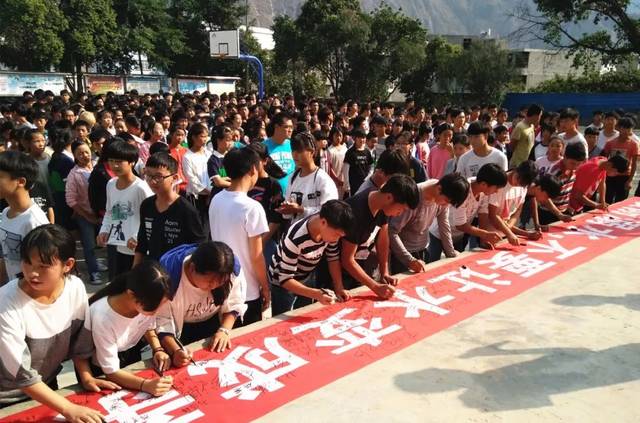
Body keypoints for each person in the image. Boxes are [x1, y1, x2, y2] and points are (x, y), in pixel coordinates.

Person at [0, 225, 110, 422]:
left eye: (43, 266)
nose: (32, 273)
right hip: (6, 398)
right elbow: (22, 374)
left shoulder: (74, 287)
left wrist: (85, 376)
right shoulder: (5, 303)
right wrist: (68, 408)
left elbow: (80, 341)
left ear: (67, 265)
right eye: (27, 262)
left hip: (47, 387)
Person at [88, 261, 173, 397]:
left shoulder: (146, 299)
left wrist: (158, 349)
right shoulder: (102, 317)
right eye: (152, 309)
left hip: (130, 352)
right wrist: (146, 385)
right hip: (100, 369)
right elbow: (111, 372)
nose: (156, 313)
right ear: (132, 295)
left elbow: (147, 327)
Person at [209, 148, 270, 324]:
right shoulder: (252, 207)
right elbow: (257, 256)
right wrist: (265, 287)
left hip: (220, 284)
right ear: (253, 170)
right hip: (246, 290)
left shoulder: (216, 199)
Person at [158, 241, 248, 354]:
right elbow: (162, 321)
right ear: (192, 268)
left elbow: (234, 302)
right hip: (182, 328)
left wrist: (224, 330)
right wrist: (176, 351)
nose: (214, 287)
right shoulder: (169, 279)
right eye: (209, 281)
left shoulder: (230, 268)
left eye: (220, 282)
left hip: (214, 321)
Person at [341, 174, 420, 299]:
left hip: (360, 265)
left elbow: (383, 238)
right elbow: (346, 259)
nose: (400, 213)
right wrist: (375, 286)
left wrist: (385, 272)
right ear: (389, 197)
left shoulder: (382, 204)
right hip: (339, 274)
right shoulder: (356, 212)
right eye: (401, 209)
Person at [269, 200, 354, 315]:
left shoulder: (330, 230)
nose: (337, 239)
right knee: (283, 317)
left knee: (306, 313)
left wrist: (339, 287)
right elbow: (285, 279)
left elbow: (333, 258)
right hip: (282, 281)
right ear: (323, 222)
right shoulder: (295, 238)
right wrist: (316, 294)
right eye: (337, 235)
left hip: (307, 274)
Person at [134, 153, 206, 265]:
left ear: (174, 178)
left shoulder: (186, 210)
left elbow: (198, 245)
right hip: (152, 268)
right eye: (148, 176)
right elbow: (142, 242)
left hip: (177, 270)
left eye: (158, 177)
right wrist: (135, 270)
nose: (152, 181)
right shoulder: (146, 205)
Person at [389, 173, 469, 274]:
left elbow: (444, 226)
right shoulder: (414, 197)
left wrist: (451, 253)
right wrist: (409, 260)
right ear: (439, 189)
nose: (446, 205)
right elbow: (392, 231)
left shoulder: (443, 195)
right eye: (446, 201)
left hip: (423, 249)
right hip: (401, 254)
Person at [428, 163, 507, 261]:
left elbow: (483, 215)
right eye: (496, 188)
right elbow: (460, 225)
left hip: (458, 235)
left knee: (456, 264)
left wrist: (483, 240)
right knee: (432, 263)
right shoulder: (463, 190)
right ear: (484, 184)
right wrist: (485, 234)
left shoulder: (484, 192)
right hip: (439, 233)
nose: (497, 192)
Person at [97, 140, 152, 276]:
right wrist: (104, 230)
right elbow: (110, 211)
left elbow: (151, 217)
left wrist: (138, 237)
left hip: (139, 250)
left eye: (119, 161)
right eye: (111, 160)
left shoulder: (141, 188)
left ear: (131, 162)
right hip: (119, 246)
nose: (115, 165)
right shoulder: (110, 184)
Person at [480, 161, 557, 246]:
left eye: (522, 184)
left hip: (504, 236)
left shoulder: (523, 188)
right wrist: (509, 233)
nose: (517, 183)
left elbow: (517, 211)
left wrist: (512, 230)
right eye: (517, 178)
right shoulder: (500, 185)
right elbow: (492, 215)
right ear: (516, 170)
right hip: (489, 236)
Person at [0, 151, 49, 284]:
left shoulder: (34, 221)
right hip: (12, 290)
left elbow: (45, 267)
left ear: (20, 181)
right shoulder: (5, 213)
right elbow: (6, 258)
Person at [277, 132, 338, 225]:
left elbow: (330, 212)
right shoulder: (292, 177)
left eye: (299, 151)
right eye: (293, 150)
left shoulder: (323, 179)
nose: (294, 154)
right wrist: (286, 209)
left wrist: (301, 210)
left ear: (312, 152)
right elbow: (288, 214)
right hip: (295, 234)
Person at [66, 141, 103, 284]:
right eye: (80, 153)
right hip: (85, 215)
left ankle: (97, 264)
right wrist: (87, 215)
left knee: (102, 242)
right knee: (89, 245)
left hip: (101, 214)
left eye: (86, 152)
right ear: (75, 156)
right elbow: (71, 200)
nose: (84, 155)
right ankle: (93, 271)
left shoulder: (97, 167)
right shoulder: (74, 174)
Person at [538, 142, 587, 225]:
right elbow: (545, 198)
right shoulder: (554, 172)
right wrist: (559, 214)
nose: (575, 167)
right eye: (572, 163)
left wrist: (567, 207)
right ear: (565, 157)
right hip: (548, 213)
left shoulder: (573, 170)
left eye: (578, 164)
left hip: (563, 212)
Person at [602, 116, 638, 204]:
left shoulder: (634, 145)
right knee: (607, 201)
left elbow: (634, 164)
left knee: (621, 203)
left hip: (624, 177)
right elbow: (604, 160)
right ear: (618, 128)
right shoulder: (610, 143)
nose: (626, 131)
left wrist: (629, 181)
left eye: (629, 128)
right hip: (610, 177)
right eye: (624, 128)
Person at [182, 122, 211, 221]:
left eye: (206, 136)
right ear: (194, 137)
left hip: (211, 194)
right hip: (197, 197)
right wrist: (207, 192)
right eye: (202, 136)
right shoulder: (187, 157)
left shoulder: (209, 154)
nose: (205, 139)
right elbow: (192, 180)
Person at [264, 112, 295, 194]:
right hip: (271, 194)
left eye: (291, 127)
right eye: (286, 127)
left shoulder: (293, 145)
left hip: (291, 193)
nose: (290, 130)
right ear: (276, 127)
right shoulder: (263, 146)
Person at [509, 104, 543, 168]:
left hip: (526, 164)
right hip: (517, 164)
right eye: (540, 116)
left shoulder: (532, 126)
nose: (540, 118)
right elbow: (512, 146)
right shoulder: (520, 127)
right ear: (535, 116)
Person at [343, 128, 373, 195]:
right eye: (359, 137)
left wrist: (368, 177)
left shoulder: (367, 152)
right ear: (355, 138)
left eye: (363, 137)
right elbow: (345, 168)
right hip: (353, 183)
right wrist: (347, 183)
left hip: (365, 182)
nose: (362, 140)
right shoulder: (350, 152)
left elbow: (371, 166)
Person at [207, 125, 234, 197]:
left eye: (231, 140)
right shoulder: (213, 160)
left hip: (231, 195)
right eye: (227, 140)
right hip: (218, 196)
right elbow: (218, 182)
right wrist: (235, 185)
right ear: (219, 140)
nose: (230, 143)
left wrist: (224, 179)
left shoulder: (232, 156)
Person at [327, 127, 348, 199]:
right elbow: (329, 167)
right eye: (336, 135)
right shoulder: (329, 150)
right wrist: (337, 180)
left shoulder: (345, 149)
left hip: (344, 179)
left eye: (340, 136)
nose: (338, 138)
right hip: (334, 180)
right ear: (332, 136)